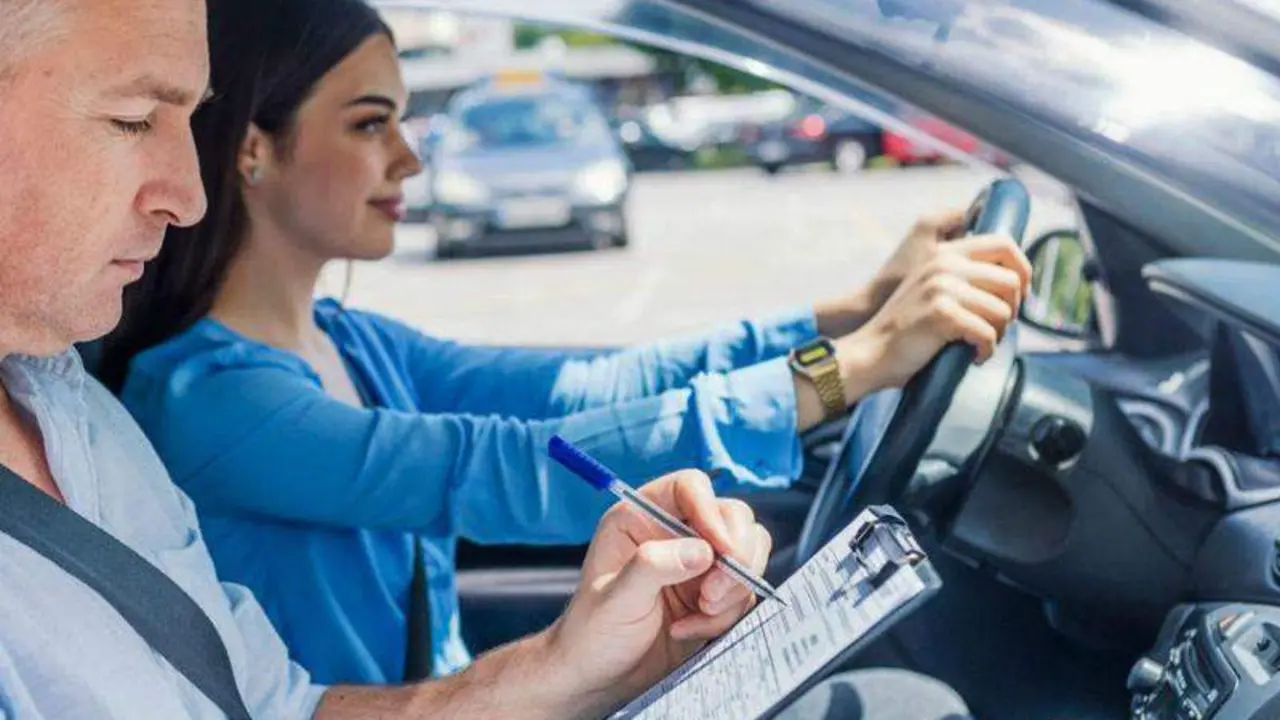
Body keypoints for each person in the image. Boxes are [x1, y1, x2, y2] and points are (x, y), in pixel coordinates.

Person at [0, 1, 970, 718]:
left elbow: (588, 391)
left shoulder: (102, 404)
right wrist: (844, 369)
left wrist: (843, 319)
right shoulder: (206, 397)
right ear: (255, 149)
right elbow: (500, 464)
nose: (187, 190)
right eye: (133, 120)